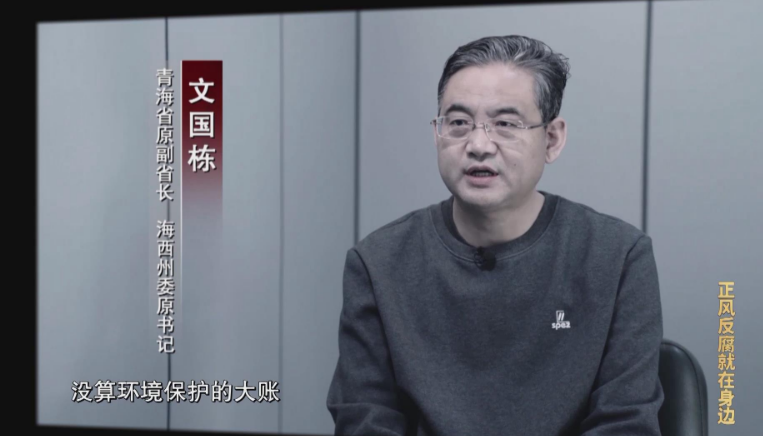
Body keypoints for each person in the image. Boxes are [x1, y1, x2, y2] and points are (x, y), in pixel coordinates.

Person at [326, 35, 664, 436]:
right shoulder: (379, 264)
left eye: (505, 124)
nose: (478, 145)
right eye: (458, 123)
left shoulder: (617, 258)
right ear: (437, 133)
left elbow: (625, 424)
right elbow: (365, 421)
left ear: (552, 139)